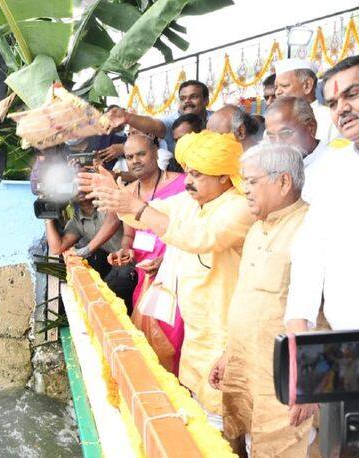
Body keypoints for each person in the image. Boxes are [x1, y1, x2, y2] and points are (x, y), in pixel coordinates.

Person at [79, 130, 255, 428]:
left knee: (229, 424)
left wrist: (132, 204)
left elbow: (199, 237)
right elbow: (147, 216)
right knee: (201, 418)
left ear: (225, 177)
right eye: (188, 173)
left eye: (198, 175)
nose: (188, 181)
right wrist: (120, 198)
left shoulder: (238, 207)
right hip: (196, 333)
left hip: (226, 336)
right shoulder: (190, 201)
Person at [208, 142, 316, 457]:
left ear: (283, 182)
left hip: (285, 376)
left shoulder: (310, 228)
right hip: (245, 363)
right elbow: (246, 298)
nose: (245, 190)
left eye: (252, 181)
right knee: (243, 438)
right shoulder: (257, 229)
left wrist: (308, 381)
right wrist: (229, 354)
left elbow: (314, 315)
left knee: (283, 446)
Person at [285, 54, 359, 332]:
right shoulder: (330, 168)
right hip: (349, 347)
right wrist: (298, 318)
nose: (341, 109)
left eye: (352, 95)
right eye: (332, 104)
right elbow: (311, 248)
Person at [109, 133, 186, 373]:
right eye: (129, 157)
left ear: (156, 152)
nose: (135, 161)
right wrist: (125, 251)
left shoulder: (182, 185)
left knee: (173, 337)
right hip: (145, 277)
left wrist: (167, 259)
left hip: (175, 275)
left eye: (141, 154)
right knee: (145, 337)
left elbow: (191, 231)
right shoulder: (128, 193)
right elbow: (129, 235)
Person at [44, 188, 137, 306]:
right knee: (103, 299)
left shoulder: (106, 201)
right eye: (74, 187)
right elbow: (56, 248)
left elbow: (113, 221)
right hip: (122, 264)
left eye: (82, 184)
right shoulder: (77, 221)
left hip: (141, 257)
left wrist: (86, 250)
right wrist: (47, 217)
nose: (79, 190)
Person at [105, 80, 214, 152]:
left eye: (193, 97)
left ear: (206, 100)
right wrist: (127, 117)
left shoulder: (217, 120)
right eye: (183, 98)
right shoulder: (173, 121)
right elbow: (155, 125)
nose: (187, 101)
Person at [263, 96, 334, 202]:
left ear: (311, 127)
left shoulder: (335, 166)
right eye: (271, 137)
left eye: (285, 134)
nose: (277, 144)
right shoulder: (275, 170)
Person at [273, 58, 339, 145]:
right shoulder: (273, 121)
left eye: (284, 86)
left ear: (307, 85)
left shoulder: (330, 118)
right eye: (276, 87)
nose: (278, 92)